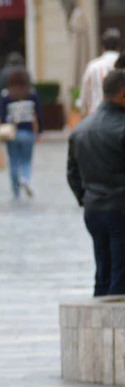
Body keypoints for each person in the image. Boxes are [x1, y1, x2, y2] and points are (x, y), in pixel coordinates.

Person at [67, 69, 125, 296]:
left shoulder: (81, 129)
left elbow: (72, 174)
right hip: (120, 208)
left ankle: (98, 329)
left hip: (94, 209)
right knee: (120, 278)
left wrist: (87, 199)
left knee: (103, 274)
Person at [0, 68, 42, 200]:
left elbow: (1, 116)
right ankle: (25, 177)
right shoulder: (32, 94)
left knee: (13, 161)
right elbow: (38, 114)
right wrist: (39, 132)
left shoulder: (6, 96)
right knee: (26, 160)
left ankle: (15, 192)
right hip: (27, 132)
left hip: (11, 133)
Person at [80, 28, 121, 117]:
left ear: (102, 47)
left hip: (96, 117)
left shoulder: (93, 67)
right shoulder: (122, 65)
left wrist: (83, 116)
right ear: (118, 47)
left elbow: (84, 97)